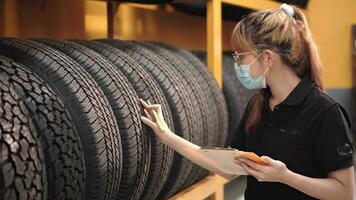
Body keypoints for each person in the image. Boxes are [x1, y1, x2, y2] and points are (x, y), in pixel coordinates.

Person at [140, 4, 355, 200]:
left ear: (268, 58)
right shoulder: (258, 105)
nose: (237, 63)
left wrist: (286, 176)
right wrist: (167, 135)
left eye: (241, 56)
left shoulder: (325, 112)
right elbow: (227, 168)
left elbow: (345, 193)